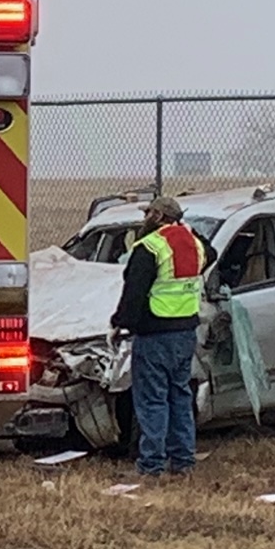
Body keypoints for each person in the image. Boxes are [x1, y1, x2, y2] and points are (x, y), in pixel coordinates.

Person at [110, 195, 218, 479]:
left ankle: (151, 466)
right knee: (180, 396)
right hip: (185, 334)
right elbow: (212, 252)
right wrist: (188, 228)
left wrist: (120, 323)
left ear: (157, 217)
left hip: (154, 334)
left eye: (149, 213)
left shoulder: (149, 248)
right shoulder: (194, 245)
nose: (144, 218)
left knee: (152, 401)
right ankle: (183, 462)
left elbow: (133, 293)